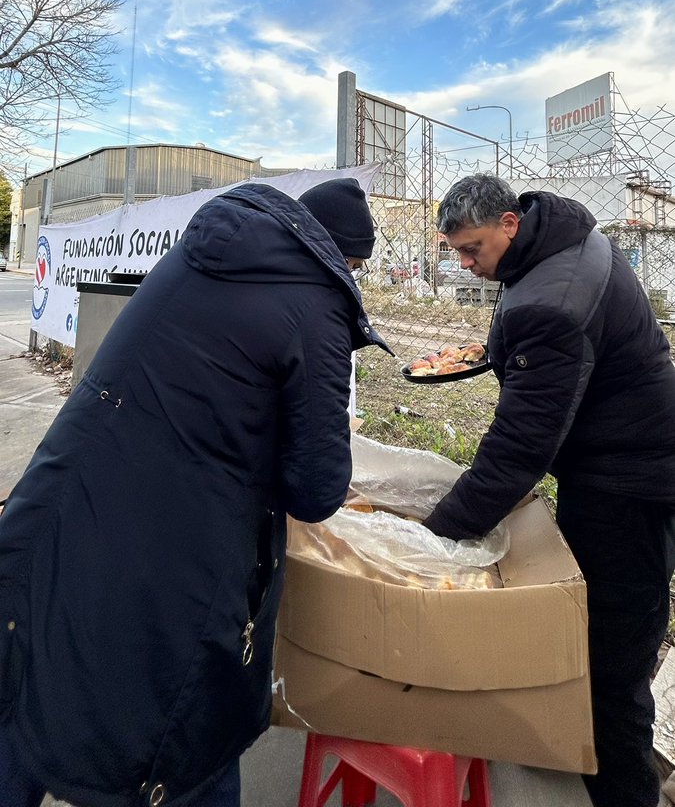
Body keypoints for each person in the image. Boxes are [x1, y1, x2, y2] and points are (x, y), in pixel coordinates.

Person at [0, 177, 390, 807]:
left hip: (62, 502)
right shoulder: (317, 303)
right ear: (344, 259)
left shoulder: (197, 255)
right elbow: (317, 489)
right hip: (165, 557)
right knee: (186, 749)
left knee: (26, 685)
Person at [423, 173, 675, 807]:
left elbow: (519, 449)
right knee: (618, 639)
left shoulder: (550, 302)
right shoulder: (567, 233)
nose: (468, 265)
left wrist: (435, 533)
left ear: (510, 224)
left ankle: (627, 787)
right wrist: (506, 349)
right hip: (633, 447)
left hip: (629, 482)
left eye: (474, 249)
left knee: (610, 662)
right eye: (456, 252)